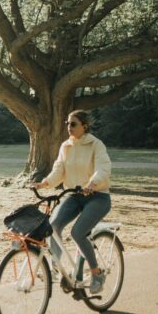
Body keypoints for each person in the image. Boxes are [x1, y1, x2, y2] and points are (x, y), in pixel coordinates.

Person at [31, 110, 112, 294]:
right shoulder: (65, 146)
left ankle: (97, 273)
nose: (69, 127)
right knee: (53, 226)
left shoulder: (96, 145)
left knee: (78, 233)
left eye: (73, 124)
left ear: (85, 126)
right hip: (74, 196)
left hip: (98, 197)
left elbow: (103, 168)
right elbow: (58, 170)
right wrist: (45, 183)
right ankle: (57, 270)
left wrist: (92, 182)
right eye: (67, 123)